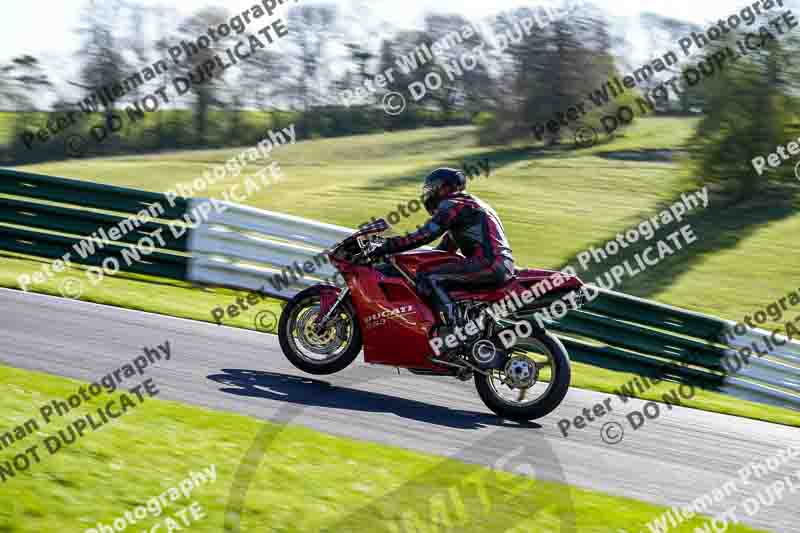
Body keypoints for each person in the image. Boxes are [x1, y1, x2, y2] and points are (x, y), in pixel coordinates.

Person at [368, 167, 515, 346]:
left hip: (488, 263)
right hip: (498, 264)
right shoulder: (468, 206)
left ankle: (453, 334)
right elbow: (442, 252)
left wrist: (388, 246)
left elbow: (425, 235)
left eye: (430, 189)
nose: (428, 194)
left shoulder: (453, 204)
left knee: (432, 278)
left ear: (443, 188)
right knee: (432, 273)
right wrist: (401, 260)